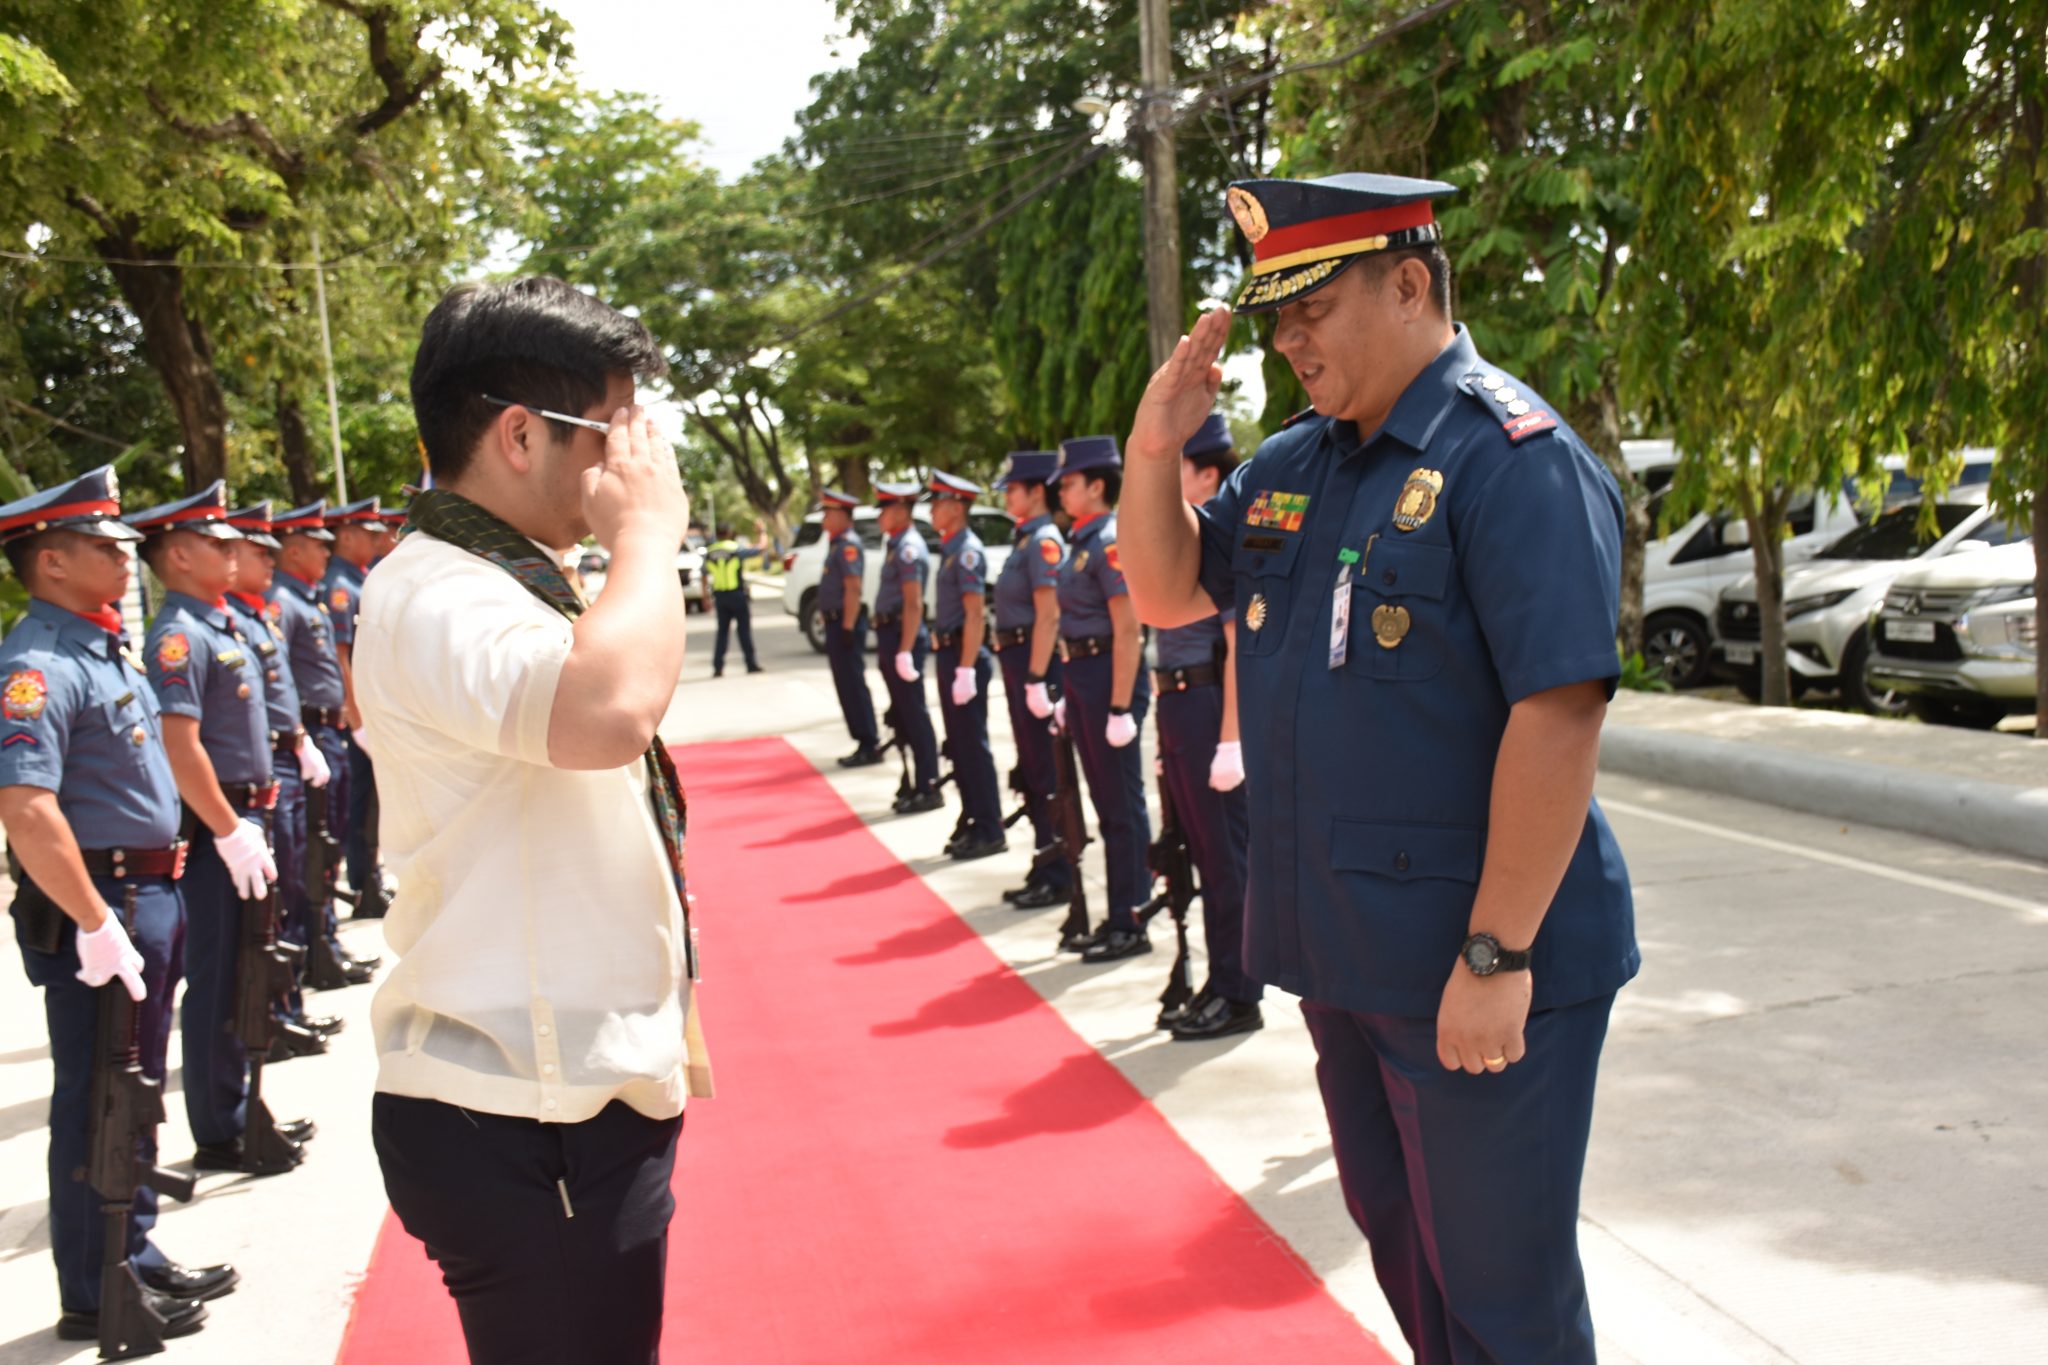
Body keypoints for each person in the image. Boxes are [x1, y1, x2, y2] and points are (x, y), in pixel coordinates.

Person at [1117, 172, 1637, 1363]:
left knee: (1503, 1298)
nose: (1286, 339)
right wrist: (1155, 443)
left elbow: (1557, 717)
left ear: (1408, 285)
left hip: (1473, 966)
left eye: (1311, 308)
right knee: (1407, 1255)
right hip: (1348, 962)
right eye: (1274, 316)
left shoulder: (1509, 457)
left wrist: (1496, 952)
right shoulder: (1301, 464)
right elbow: (1163, 588)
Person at [360, 275, 704, 1363]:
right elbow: (606, 711)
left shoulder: (506, 579)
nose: (631, 463)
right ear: (519, 433)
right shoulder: (439, 593)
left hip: (555, 1097)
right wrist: (649, 534)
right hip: (526, 1111)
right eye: (613, 433)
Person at [0, 466, 236, 1344]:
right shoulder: (35, 666)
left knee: (130, 1091)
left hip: (149, 892)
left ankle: (131, 1251)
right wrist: (95, 920)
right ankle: (95, 1286)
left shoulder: (101, 648)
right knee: (96, 1096)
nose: (121, 559)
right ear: (52, 562)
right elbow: (27, 807)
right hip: (107, 903)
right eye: (103, 547)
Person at [128, 482, 313, 1175]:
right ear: (177, 555)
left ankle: (236, 1106)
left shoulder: (220, 621)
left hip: (245, 812)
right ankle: (219, 1123)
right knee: (216, 976)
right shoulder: (179, 634)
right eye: (215, 542)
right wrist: (230, 826)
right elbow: (182, 744)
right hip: (216, 827)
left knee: (246, 966)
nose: (232, 551)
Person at [1152, 416, 1263, 1041]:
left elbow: (1235, 644)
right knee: (1198, 853)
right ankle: (1219, 979)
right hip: (1180, 707)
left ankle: (1239, 991)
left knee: (1226, 861)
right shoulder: (1187, 541)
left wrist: (1231, 740)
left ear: (1209, 475)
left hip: (1209, 705)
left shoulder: (1220, 542)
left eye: (1180, 470)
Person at [223, 502, 342, 1051]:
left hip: (291, 757)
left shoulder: (249, 616)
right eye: (256, 551)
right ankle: (277, 1010)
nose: (267, 561)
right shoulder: (233, 619)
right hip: (261, 773)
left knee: (298, 880)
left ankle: (289, 1002)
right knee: (276, 900)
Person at [1052, 436, 1152, 962]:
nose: (1061, 491)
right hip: (1084, 674)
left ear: (1096, 485)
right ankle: (1118, 913)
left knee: (1120, 807)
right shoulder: (1081, 542)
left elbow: (1128, 628)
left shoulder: (1110, 540)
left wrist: (1118, 707)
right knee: (1103, 802)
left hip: (1109, 675)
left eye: (1068, 483)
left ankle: (1130, 917)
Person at [267, 500, 376, 988]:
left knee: (326, 845)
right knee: (311, 851)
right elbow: (283, 680)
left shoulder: (306, 597)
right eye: (316, 545)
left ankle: (325, 944)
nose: (325, 552)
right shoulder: (286, 602)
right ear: (292, 551)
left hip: (329, 732)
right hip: (313, 732)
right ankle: (313, 953)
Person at [989, 451, 1074, 908]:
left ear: (1035, 492)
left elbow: (1049, 615)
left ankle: (1058, 870)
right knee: (1033, 769)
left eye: (1013, 489)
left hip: (1034, 661)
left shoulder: (1043, 540)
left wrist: (1038, 677)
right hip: (1019, 659)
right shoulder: (1024, 540)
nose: (1007, 496)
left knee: (1047, 770)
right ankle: (1045, 862)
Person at [925, 472, 1005, 860]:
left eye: (937, 502)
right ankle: (974, 818)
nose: (931, 509)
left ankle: (990, 828)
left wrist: (966, 669)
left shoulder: (967, 550)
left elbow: (976, 615)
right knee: (960, 747)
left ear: (957, 507)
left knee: (973, 748)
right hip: (951, 655)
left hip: (963, 657)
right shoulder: (951, 547)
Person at [322, 497, 392, 919]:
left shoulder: (360, 579)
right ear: (345, 536)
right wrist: (358, 716)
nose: (378, 539)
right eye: (367, 533)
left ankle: (372, 880)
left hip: (370, 709)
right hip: (356, 716)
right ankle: (364, 883)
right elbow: (341, 655)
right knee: (361, 801)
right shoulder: (341, 586)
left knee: (372, 801)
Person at [872, 481, 943, 813]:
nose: (880, 517)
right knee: (903, 714)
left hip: (903, 636)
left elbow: (914, 604)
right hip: (892, 635)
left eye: (884, 510)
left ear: (901, 510)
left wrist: (904, 650)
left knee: (915, 715)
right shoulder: (895, 544)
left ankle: (929, 783)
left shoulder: (908, 547)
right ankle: (915, 781)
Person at [817, 489, 883, 767]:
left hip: (845, 623)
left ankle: (869, 742)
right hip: (836, 622)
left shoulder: (848, 546)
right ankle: (862, 740)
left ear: (843, 516)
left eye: (829, 513)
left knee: (853, 684)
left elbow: (853, 588)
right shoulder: (837, 544)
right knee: (845, 684)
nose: (824, 519)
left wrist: (846, 626)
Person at [703, 522, 762, 677]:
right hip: (737, 595)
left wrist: (705, 597)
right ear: (729, 533)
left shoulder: (710, 551)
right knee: (744, 631)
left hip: (720, 597)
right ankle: (751, 664)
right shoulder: (735, 548)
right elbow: (760, 549)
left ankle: (718, 667)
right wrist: (762, 531)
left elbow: (703, 574)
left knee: (722, 632)